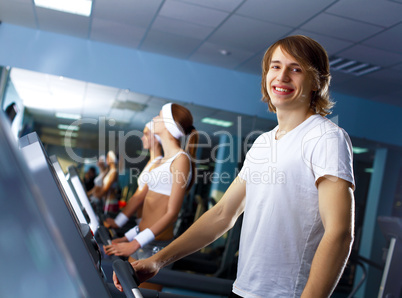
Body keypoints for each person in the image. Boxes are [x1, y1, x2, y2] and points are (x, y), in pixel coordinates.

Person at [113, 35, 355, 298]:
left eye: (295, 69)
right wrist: (157, 260)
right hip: (243, 290)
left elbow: (340, 233)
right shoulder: (263, 143)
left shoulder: (326, 137)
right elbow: (223, 214)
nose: (282, 76)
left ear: (317, 81)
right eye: (275, 66)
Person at [104, 103, 198, 260]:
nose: (155, 118)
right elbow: (146, 208)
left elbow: (172, 213)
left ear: (169, 124)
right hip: (141, 239)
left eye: (160, 115)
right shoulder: (161, 162)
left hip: (155, 247)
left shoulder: (180, 160)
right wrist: (128, 238)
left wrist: (134, 243)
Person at [104, 122, 163, 229]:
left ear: (155, 138)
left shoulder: (158, 164)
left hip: (149, 227)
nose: (142, 138)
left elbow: (139, 197)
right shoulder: (152, 162)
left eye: (146, 134)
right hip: (142, 223)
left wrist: (118, 222)